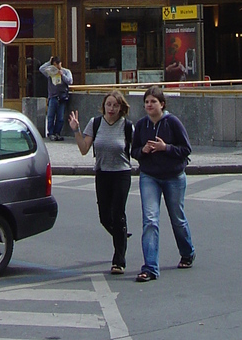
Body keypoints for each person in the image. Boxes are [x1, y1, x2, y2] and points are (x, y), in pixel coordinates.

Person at [130, 85, 194, 281]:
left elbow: (186, 149)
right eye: (147, 102)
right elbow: (134, 151)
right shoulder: (141, 125)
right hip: (149, 176)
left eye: (153, 102)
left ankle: (187, 252)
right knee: (150, 220)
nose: (149, 105)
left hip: (174, 177)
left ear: (162, 104)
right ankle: (150, 267)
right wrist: (144, 151)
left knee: (178, 219)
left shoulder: (172, 122)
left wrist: (165, 147)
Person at [69, 92, 134, 274]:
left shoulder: (127, 126)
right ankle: (121, 236)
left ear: (121, 108)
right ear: (103, 106)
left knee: (118, 213)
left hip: (121, 174)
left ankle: (118, 260)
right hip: (102, 174)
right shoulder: (95, 123)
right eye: (109, 105)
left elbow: (136, 149)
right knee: (105, 217)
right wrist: (76, 130)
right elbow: (84, 149)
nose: (111, 109)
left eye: (115, 105)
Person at [40, 56, 72, 141]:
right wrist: (48, 62)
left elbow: (70, 81)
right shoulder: (50, 72)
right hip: (53, 96)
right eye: (54, 65)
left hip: (62, 97)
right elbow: (41, 69)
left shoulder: (66, 71)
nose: (56, 66)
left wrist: (63, 75)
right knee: (50, 116)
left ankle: (57, 132)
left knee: (60, 117)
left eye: (57, 64)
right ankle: (51, 133)